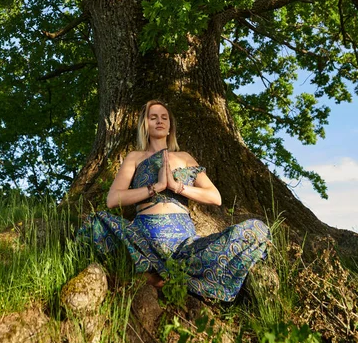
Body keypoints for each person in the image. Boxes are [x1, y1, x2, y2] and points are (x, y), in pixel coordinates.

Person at [77, 99, 270, 301]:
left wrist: (177, 187)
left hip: (184, 246)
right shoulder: (135, 157)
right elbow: (113, 199)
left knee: (256, 230)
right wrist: (156, 188)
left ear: (170, 126)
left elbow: (215, 197)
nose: (159, 121)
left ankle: (179, 278)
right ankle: (151, 277)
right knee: (95, 223)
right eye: (153, 118)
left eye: (164, 117)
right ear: (145, 125)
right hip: (144, 240)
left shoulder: (185, 157)